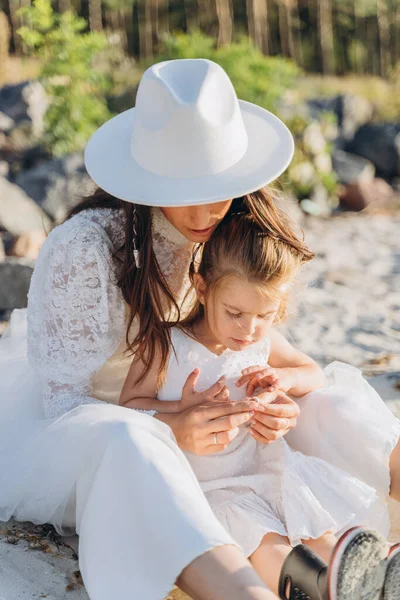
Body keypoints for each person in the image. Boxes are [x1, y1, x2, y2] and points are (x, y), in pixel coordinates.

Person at [0, 57, 398, 600]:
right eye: (188, 187)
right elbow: (67, 410)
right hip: (112, 432)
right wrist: (172, 425)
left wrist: (277, 399)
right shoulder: (86, 247)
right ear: (146, 178)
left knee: (329, 397)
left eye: (222, 184)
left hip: (221, 427)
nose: (211, 206)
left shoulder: (233, 228)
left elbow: (275, 349)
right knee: (132, 438)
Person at [120, 211, 399, 599]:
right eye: (234, 314)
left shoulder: (261, 343)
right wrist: (179, 415)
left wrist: (284, 380)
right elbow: (128, 410)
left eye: (264, 316)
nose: (248, 329)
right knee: (262, 538)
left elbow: (312, 371)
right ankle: (313, 587)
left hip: (266, 467)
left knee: (314, 523)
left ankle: (361, 578)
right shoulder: (166, 345)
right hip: (212, 484)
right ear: (202, 288)